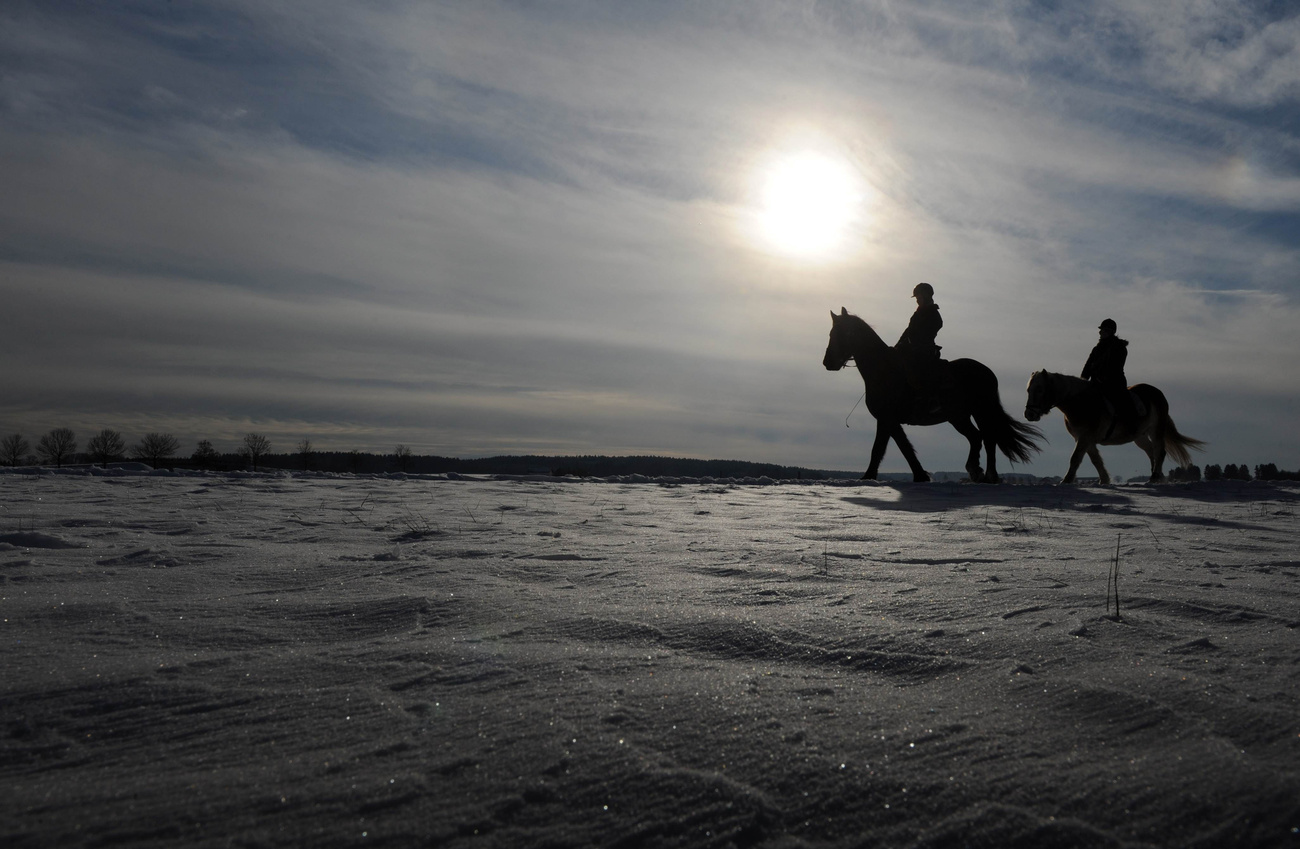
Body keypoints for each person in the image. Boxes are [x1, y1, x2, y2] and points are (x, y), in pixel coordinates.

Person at [895, 283, 945, 406]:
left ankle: (930, 398)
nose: (917, 300)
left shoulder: (933, 314)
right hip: (912, 348)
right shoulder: (917, 314)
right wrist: (898, 345)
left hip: (924, 349)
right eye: (916, 298)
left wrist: (913, 343)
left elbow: (927, 332)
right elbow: (908, 331)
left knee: (916, 367)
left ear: (926, 296)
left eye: (919, 297)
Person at [1082, 318, 1135, 426]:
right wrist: (1082, 381)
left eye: (1104, 330)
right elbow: (1087, 366)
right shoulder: (1096, 349)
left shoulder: (1119, 348)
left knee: (1121, 401)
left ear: (1111, 332)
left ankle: (1130, 424)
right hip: (1095, 383)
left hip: (1114, 383)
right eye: (1101, 330)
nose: (1101, 333)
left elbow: (1116, 367)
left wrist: (1103, 378)